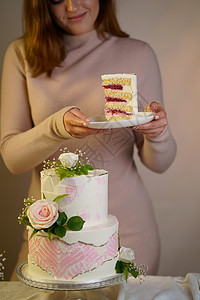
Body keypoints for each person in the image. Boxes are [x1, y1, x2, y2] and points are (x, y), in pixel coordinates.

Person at [1, 0, 176, 280]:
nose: (72, 7)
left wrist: (158, 133)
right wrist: (56, 128)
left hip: (126, 236)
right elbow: (12, 160)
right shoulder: (21, 54)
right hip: (50, 237)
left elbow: (159, 164)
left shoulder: (137, 54)